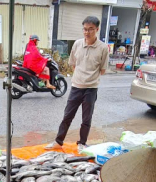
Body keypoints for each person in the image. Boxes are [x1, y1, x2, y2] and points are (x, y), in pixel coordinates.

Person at [46, 16, 110, 153]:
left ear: (97, 29)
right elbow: (73, 65)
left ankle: (82, 143)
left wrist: (89, 77)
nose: (87, 32)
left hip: (91, 89)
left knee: (86, 118)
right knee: (67, 116)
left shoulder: (103, 48)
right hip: (76, 87)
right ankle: (58, 141)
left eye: (91, 29)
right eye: (85, 29)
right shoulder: (77, 44)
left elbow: (103, 70)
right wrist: (81, 76)